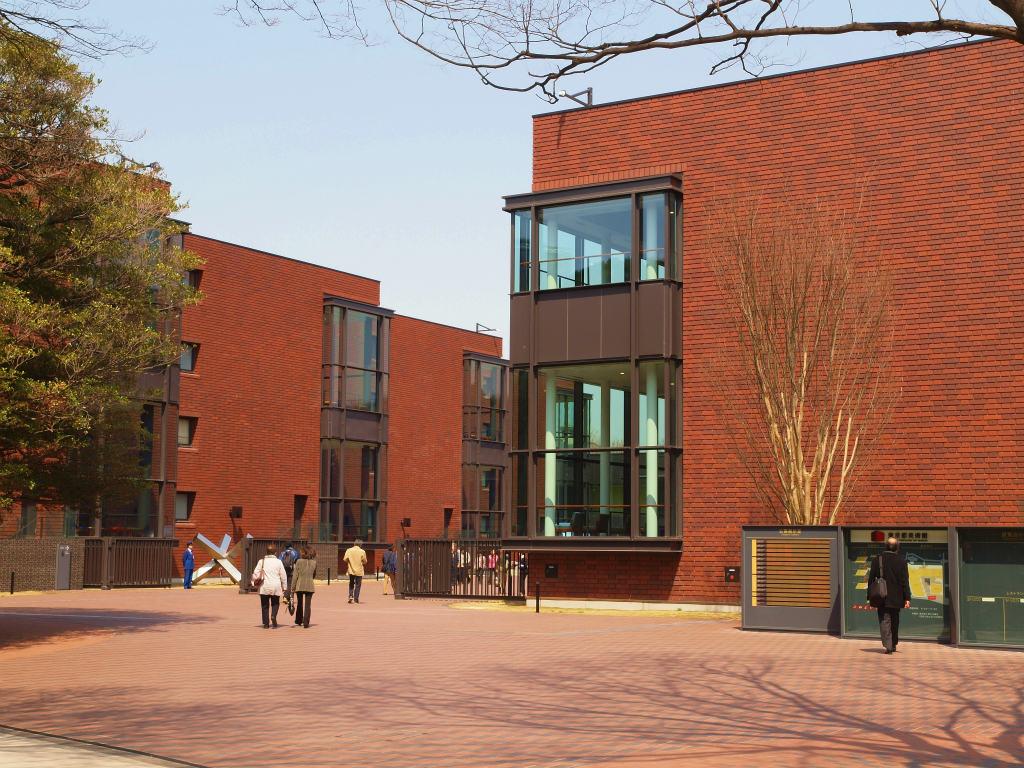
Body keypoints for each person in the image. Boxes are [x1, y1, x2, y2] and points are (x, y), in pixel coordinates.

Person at [867, 536, 912, 654]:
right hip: (897, 597)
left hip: (882, 596)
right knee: (895, 620)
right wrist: (907, 598)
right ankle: (893, 643)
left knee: (884, 620)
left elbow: (871, 579)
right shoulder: (902, 561)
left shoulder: (877, 560)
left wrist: (869, 596)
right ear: (897, 547)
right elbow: (905, 581)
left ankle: (889, 645)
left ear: (886, 546)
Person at [252, 544, 288, 629]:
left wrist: (254, 582)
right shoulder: (279, 562)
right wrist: (284, 586)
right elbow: (283, 575)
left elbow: (256, 573)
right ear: (275, 553)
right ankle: (273, 616)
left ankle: (266, 624)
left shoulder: (261, 561)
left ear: (267, 552)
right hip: (276, 585)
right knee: (275, 603)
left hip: (264, 586)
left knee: (264, 605)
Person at [290, 546, 317, 628]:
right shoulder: (314, 562)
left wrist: (292, 587)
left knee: (300, 603)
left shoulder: (299, 561)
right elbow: (314, 575)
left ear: (304, 553)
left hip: (299, 585)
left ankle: (299, 620)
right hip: (310, 585)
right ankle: (306, 622)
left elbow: (295, 576)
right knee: (308, 605)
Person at [343, 538, 367, 604]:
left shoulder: (349, 550)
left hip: (351, 570)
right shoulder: (362, 551)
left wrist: (350, 562)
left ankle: (351, 595)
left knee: (351, 583)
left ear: (354, 543)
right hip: (359, 570)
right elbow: (365, 561)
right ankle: (356, 599)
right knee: (358, 585)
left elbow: (345, 559)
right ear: (360, 544)